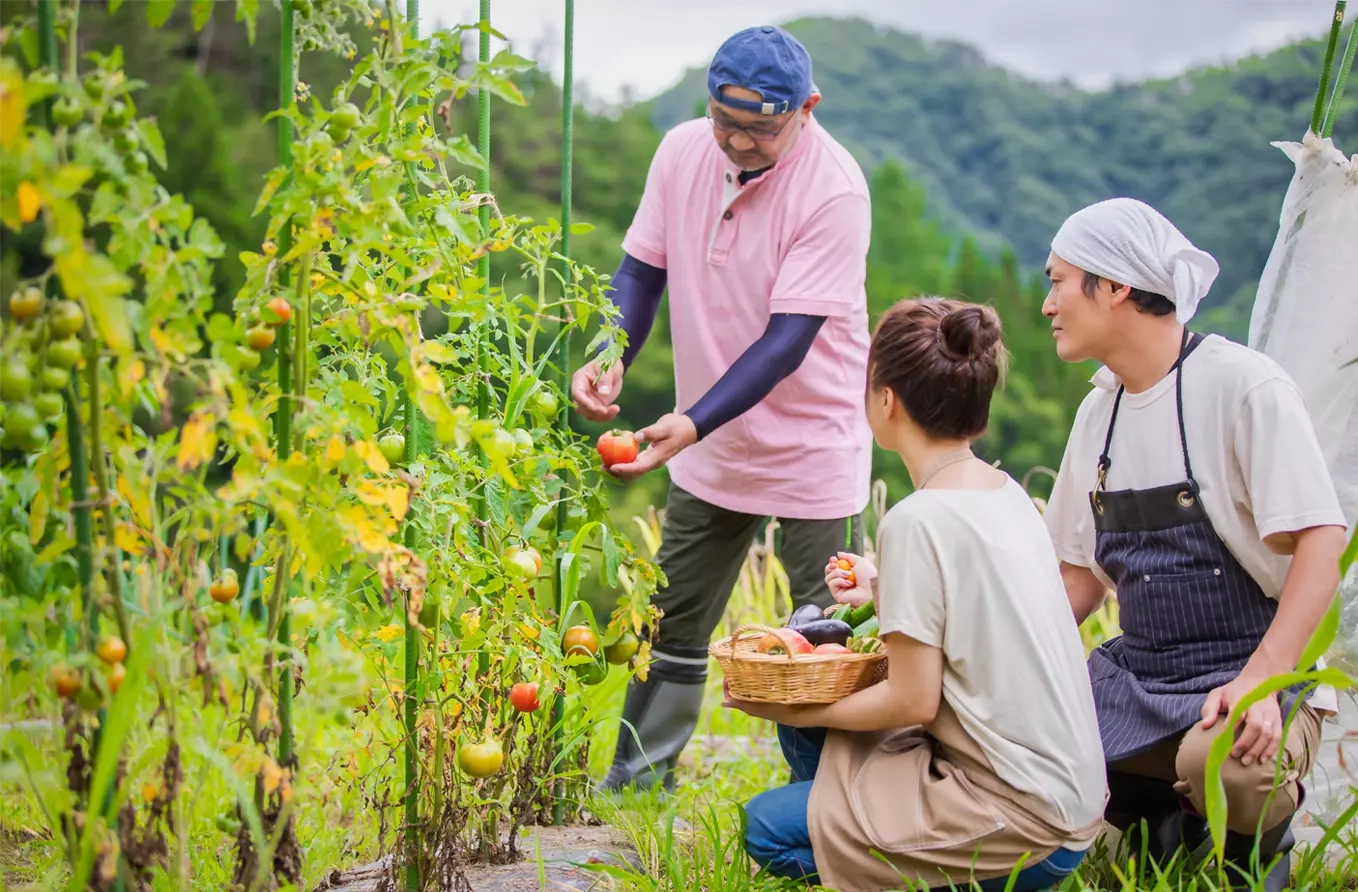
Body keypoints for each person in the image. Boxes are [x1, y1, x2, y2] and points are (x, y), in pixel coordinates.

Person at [569, 25, 874, 791]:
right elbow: (639, 273)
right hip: (709, 438)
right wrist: (611, 356)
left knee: (828, 635)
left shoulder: (835, 190)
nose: (737, 142)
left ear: (807, 108)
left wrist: (691, 420)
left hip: (814, 445)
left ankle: (834, 799)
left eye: (760, 128)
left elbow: (787, 343)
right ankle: (638, 783)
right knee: (671, 618)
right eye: (724, 121)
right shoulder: (681, 152)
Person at [725, 299, 1109, 891]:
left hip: (1020, 821)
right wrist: (885, 586)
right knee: (809, 732)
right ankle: (862, 824)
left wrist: (782, 704)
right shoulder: (1004, 494)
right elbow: (977, 610)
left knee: (768, 829)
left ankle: (877, 854)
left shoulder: (916, 521)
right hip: (1069, 801)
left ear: (886, 400)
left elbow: (912, 702)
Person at [1040, 198, 1348, 889]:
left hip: (1253, 674)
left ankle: (1255, 852)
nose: (1048, 304)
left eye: (1059, 282)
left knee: (1228, 760)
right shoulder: (1100, 411)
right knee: (1027, 729)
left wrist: (1262, 682)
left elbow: (1321, 545)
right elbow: (1079, 583)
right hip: (1142, 674)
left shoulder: (1241, 385)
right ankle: (1161, 830)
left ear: (1115, 286)